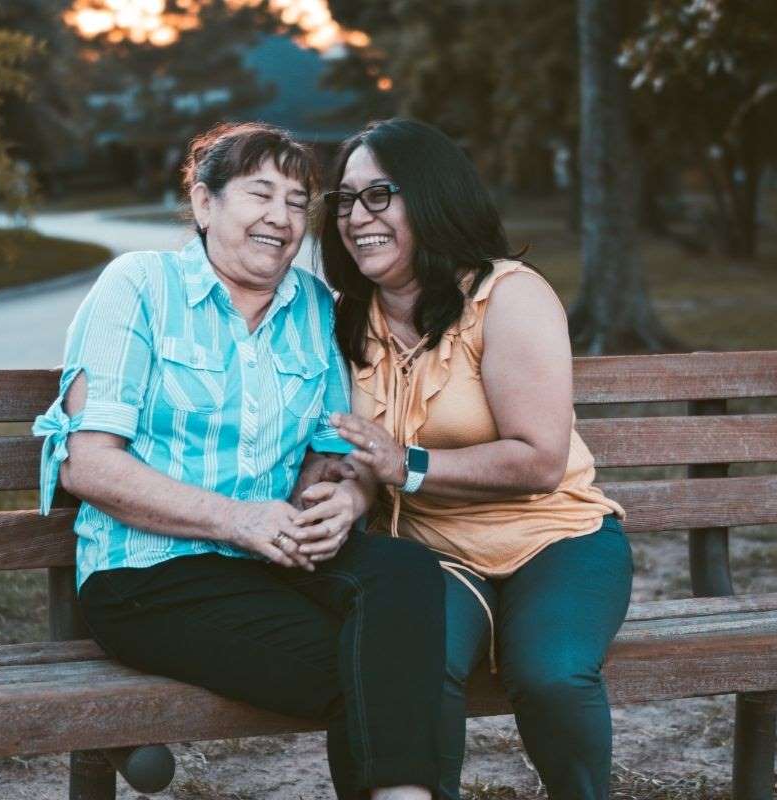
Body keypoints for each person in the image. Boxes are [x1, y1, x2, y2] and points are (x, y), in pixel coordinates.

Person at [31, 122, 445, 800]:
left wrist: (343, 497)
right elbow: (88, 465)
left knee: (403, 571)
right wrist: (234, 520)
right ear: (204, 204)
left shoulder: (314, 307)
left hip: (271, 560)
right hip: (148, 577)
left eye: (295, 200)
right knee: (377, 668)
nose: (280, 218)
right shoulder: (138, 286)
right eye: (260, 194)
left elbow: (333, 451)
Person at [317, 118, 633, 800]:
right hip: (432, 554)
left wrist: (409, 466)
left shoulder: (508, 296)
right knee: (405, 673)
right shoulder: (346, 317)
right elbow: (359, 456)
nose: (356, 217)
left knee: (550, 673)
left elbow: (540, 459)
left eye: (379, 195)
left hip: (556, 541)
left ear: (431, 197)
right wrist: (347, 489)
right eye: (344, 199)